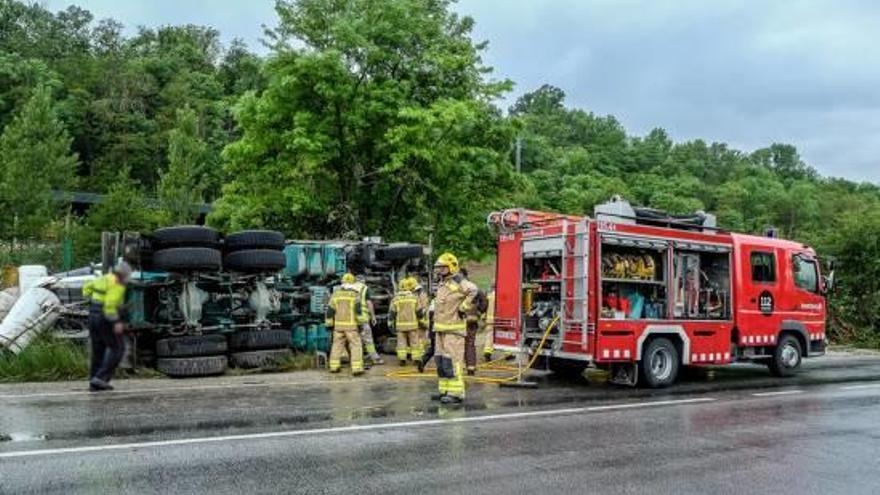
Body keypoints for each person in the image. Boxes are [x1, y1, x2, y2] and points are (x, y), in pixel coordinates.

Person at [431, 252, 478, 404]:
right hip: (441, 329)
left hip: (454, 330)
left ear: (451, 267)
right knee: (441, 361)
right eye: (439, 268)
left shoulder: (458, 281)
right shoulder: (442, 283)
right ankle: (445, 389)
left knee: (453, 361)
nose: (440, 271)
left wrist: (463, 307)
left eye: (443, 268)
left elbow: (473, 290)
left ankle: (456, 393)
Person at [82, 261, 132, 392]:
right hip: (105, 317)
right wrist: (116, 322)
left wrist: (92, 300)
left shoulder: (103, 278)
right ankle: (101, 378)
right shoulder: (117, 285)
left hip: (93, 314)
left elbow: (86, 288)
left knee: (98, 350)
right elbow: (110, 305)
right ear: (123, 275)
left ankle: (93, 382)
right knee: (117, 348)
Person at [325, 273, 365, 375]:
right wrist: (360, 324)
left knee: (337, 346)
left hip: (338, 327)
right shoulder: (355, 295)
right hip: (351, 327)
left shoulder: (335, 295)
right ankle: (356, 368)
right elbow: (358, 312)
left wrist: (329, 324)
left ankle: (334, 367)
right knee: (356, 346)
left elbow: (329, 311)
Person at [351, 274, 384, 365]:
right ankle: (375, 358)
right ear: (363, 281)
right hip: (362, 318)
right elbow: (369, 303)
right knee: (368, 340)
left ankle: (355, 358)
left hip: (350, 320)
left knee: (354, 340)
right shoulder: (364, 288)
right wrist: (373, 316)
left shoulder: (349, 288)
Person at [389, 277, 424, 365]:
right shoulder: (414, 297)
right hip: (412, 324)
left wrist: (390, 323)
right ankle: (416, 359)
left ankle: (402, 360)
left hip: (400, 325)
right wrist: (420, 319)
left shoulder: (396, 298)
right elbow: (419, 311)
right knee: (414, 342)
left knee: (401, 343)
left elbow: (392, 312)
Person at [478, 285, 496, 361]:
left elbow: (484, 308)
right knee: (503, 335)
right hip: (501, 320)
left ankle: (487, 353)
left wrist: (483, 317)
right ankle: (508, 354)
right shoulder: (502, 295)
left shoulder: (489, 296)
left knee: (489, 336)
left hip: (489, 319)